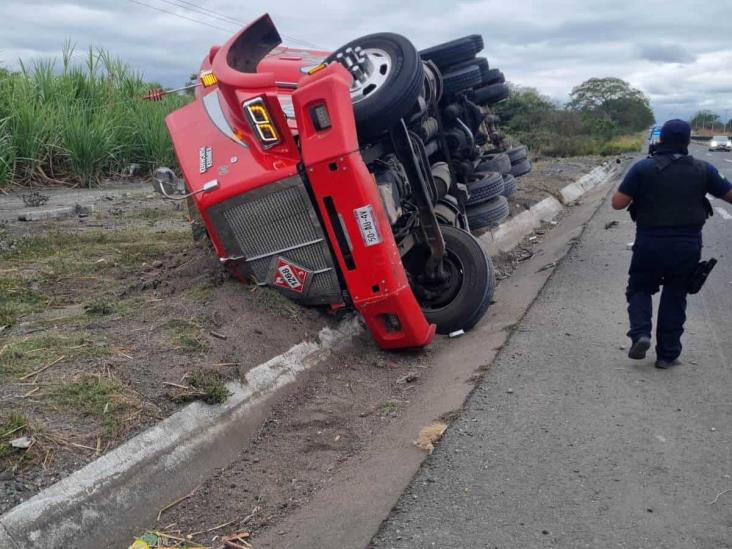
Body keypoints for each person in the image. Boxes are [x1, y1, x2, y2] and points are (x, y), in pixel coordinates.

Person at [611, 119, 732, 368]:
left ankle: (640, 334)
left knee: (639, 289)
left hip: (650, 242)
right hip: (687, 245)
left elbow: (618, 203)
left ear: (661, 139)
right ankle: (667, 355)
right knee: (676, 296)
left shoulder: (642, 168)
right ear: (688, 141)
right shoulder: (704, 169)